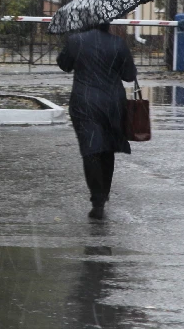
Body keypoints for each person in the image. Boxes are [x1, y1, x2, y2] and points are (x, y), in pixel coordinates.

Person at [57, 23, 137, 220]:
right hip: (112, 103)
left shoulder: (76, 41)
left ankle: (97, 200)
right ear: (107, 23)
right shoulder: (118, 43)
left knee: (91, 149)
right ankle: (103, 195)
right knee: (107, 149)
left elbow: (64, 64)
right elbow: (129, 76)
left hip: (84, 102)